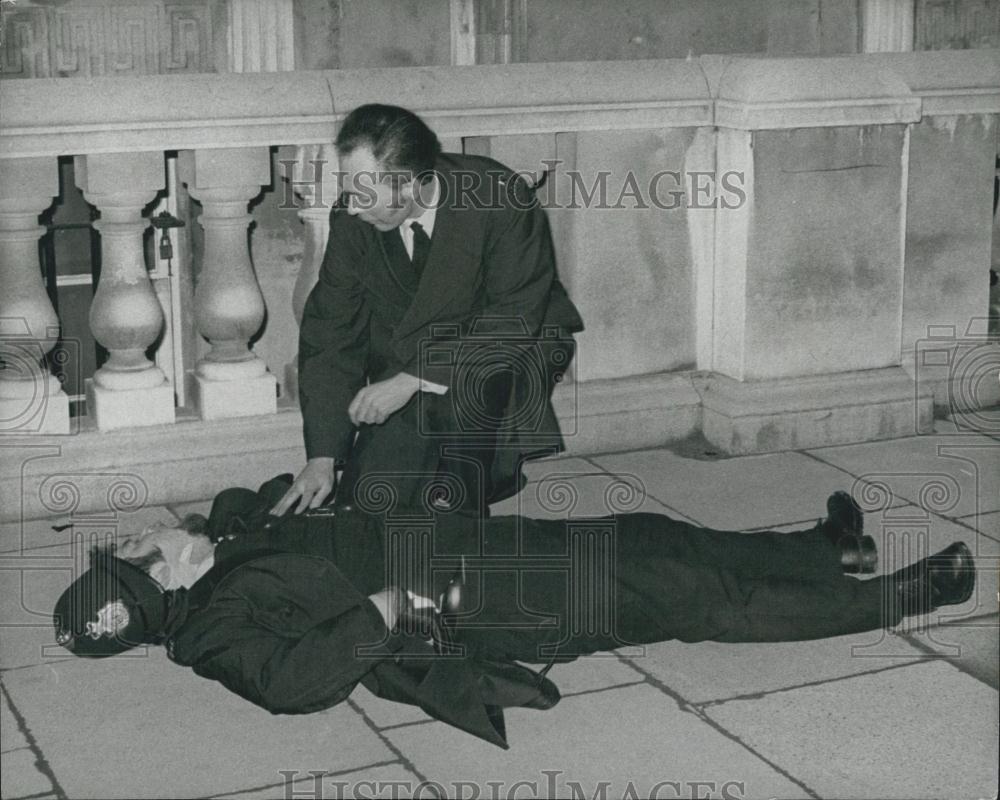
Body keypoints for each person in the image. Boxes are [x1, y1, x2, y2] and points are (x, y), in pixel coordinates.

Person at [53, 477, 975, 749]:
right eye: (137, 549)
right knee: (687, 599)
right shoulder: (211, 633)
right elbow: (288, 685)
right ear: (155, 584)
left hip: (464, 547)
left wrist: (252, 511)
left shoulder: (216, 544)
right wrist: (380, 607)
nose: (141, 532)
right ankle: (895, 598)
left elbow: (240, 505)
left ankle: (824, 551)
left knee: (656, 537)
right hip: (471, 604)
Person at [274, 103, 584, 518]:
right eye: (348, 190)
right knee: (366, 502)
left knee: (450, 492)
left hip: (510, 345)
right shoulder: (352, 222)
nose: (350, 207)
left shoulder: (498, 196)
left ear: (411, 187)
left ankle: (465, 518)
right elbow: (331, 331)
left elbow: (516, 314)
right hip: (413, 354)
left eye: (363, 194)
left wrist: (414, 378)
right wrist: (323, 456)